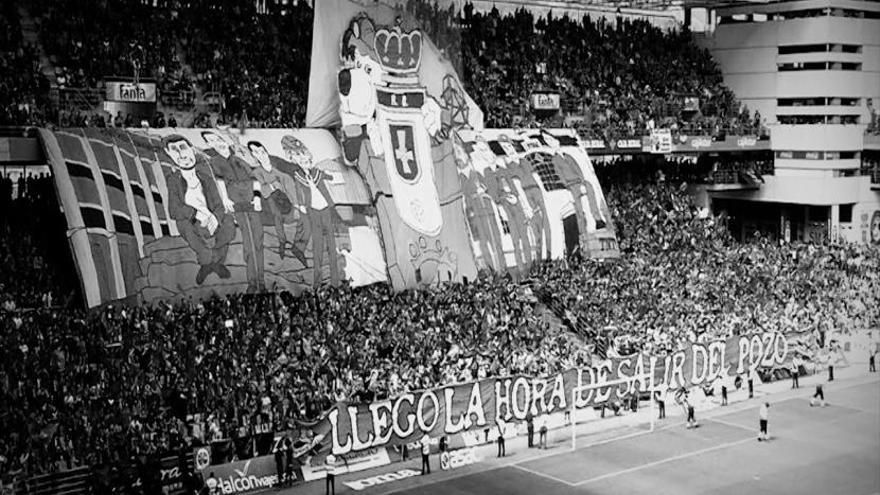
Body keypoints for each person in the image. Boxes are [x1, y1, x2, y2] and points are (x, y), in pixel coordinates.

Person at [162, 135, 237, 285]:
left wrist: (215, 217)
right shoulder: (173, 180)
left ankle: (217, 262)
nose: (182, 155)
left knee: (228, 222)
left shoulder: (206, 178)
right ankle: (206, 263)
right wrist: (196, 214)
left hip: (211, 221)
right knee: (182, 224)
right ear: (169, 154)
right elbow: (173, 209)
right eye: (175, 151)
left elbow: (219, 205)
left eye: (183, 148)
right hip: (193, 223)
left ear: (192, 149)